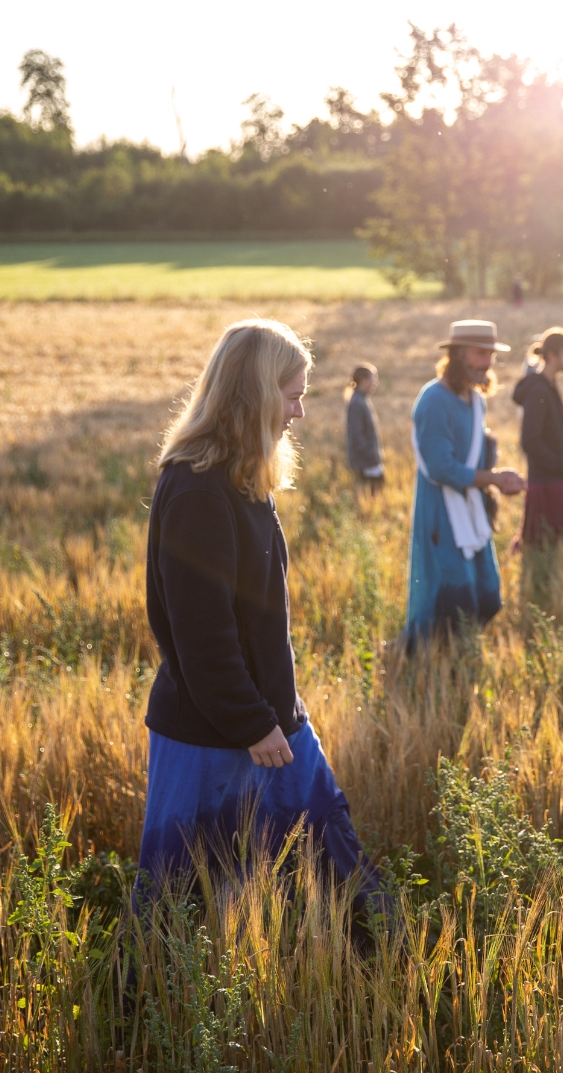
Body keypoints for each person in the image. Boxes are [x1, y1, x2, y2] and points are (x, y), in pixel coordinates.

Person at [139, 319, 381, 913]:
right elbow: (204, 637)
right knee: (189, 901)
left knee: (331, 863)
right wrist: (253, 723)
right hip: (213, 737)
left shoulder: (243, 478)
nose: (298, 412)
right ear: (254, 394)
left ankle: (361, 977)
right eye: (292, 395)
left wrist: (279, 712)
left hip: (273, 722)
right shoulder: (198, 490)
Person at [404, 319, 525, 646]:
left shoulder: (476, 400)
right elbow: (441, 468)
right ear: (457, 354)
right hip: (442, 512)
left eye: (490, 355)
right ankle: (432, 667)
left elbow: (471, 451)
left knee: (487, 596)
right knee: (449, 599)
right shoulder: (433, 400)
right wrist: (495, 479)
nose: (486, 362)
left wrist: (496, 469)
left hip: (470, 508)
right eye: (479, 353)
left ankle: (460, 656)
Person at [512, 327, 563, 548]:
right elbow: (530, 441)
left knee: (544, 544)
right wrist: (559, 465)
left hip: (551, 480)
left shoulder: (548, 387)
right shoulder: (538, 391)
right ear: (552, 356)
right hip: (545, 482)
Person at [345, 362, 384, 494]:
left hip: (369, 461)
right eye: (373, 378)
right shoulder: (357, 402)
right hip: (366, 463)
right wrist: (370, 455)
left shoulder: (361, 399)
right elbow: (356, 435)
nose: (375, 382)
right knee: (372, 495)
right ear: (363, 380)